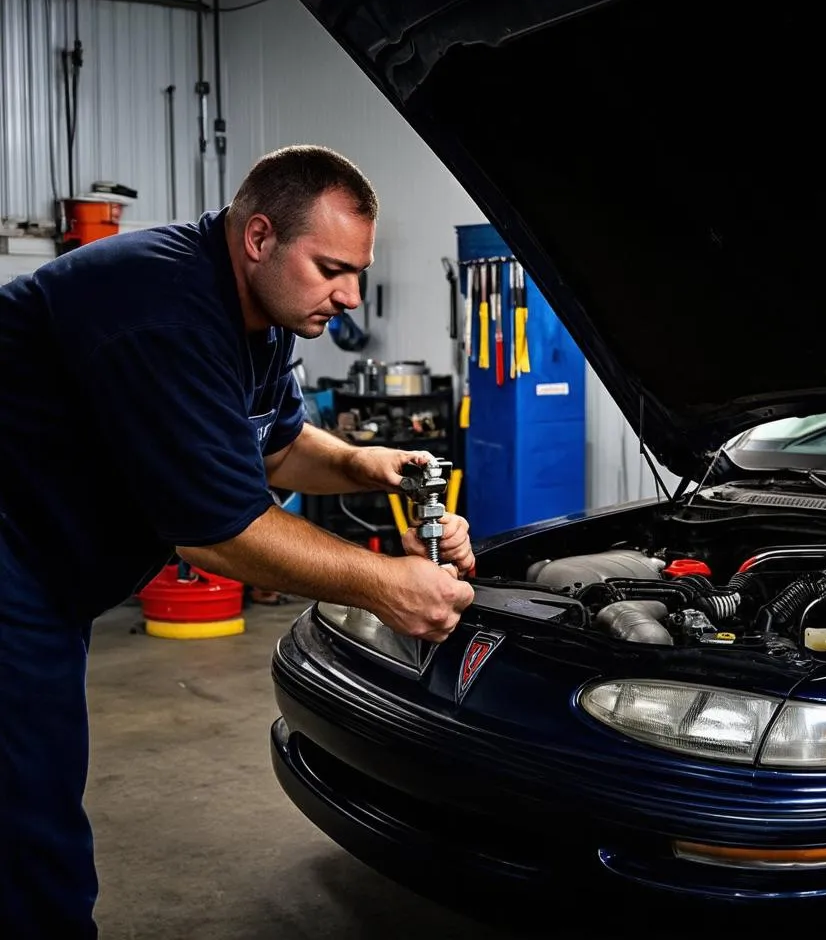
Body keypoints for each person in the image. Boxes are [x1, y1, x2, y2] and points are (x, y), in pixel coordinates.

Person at [0, 144, 477, 938]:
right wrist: (386, 583)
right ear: (259, 237)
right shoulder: (160, 303)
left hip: (50, 567)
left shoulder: (258, 316)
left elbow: (279, 446)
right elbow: (218, 535)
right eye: (331, 268)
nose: (348, 297)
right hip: (13, 557)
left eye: (355, 271)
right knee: (29, 813)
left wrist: (367, 465)